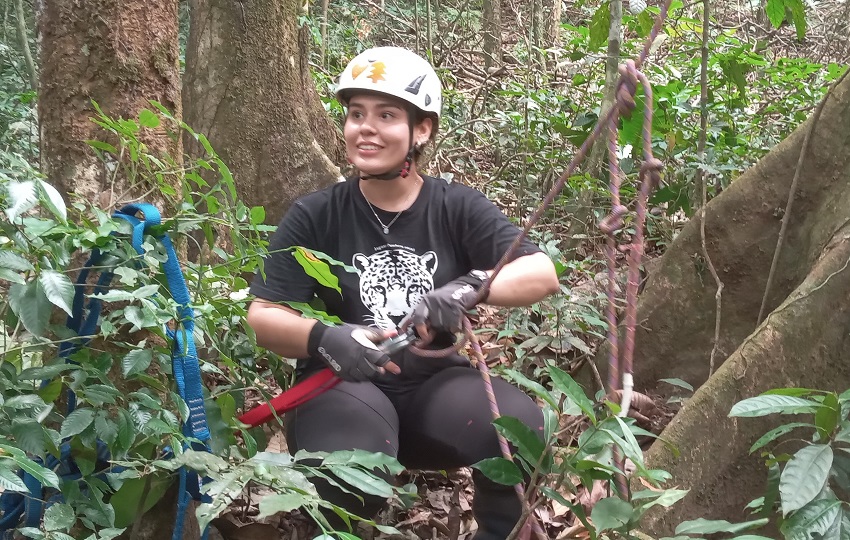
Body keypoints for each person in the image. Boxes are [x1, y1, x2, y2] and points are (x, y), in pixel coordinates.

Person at [247, 46, 560, 539]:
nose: (365, 128)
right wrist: (326, 337)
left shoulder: (455, 206)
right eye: (356, 114)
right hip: (345, 388)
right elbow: (263, 315)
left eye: (386, 115)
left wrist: (468, 289)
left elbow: (541, 271)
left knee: (518, 433)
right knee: (347, 469)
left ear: (422, 130)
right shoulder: (317, 214)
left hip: (435, 386)